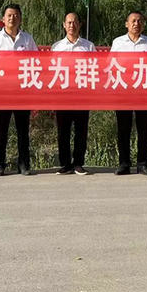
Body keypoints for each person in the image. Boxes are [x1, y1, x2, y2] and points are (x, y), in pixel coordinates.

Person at [0, 4, 38, 176]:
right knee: (1, 129)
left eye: (16, 15)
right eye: (9, 15)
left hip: (22, 91)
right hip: (2, 91)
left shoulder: (27, 39)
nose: (12, 18)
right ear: (3, 18)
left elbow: (36, 62)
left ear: (20, 18)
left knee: (23, 129)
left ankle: (24, 164)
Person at [111, 10, 147, 176]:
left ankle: (143, 164)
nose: (136, 24)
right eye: (133, 21)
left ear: (143, 24)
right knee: (123, 129)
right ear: (126, 24)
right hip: (123, 90)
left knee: (144, 129)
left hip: (143, 91)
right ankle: (124, 164)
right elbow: (111, 65)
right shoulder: (118, 42)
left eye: (139, 21)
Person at [51, 12, 95, 176]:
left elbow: (95, 68)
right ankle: (65, 164)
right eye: (69, 22)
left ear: (80, 24)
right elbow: (51, 70)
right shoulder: (56, 47)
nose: (72, 25)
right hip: (62, 94)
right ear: (64, 25)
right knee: (63, 131)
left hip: (82, 94)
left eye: (75, 22)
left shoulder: (88, 46)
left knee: (81, 130)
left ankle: (78, 163)